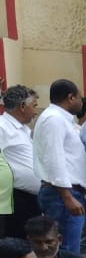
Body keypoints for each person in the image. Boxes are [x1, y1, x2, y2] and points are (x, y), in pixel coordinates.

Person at [33, 79, 86, 252]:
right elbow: (54, 159)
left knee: (70, 249)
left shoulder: (61, 120)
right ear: (70, 98)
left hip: (66, 193)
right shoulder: (54, 119)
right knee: (67, 251)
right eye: (80, 98)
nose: (81, 102)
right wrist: (67, 197)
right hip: (61, 194)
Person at [0, 85, 42, 239]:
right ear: (23, 106)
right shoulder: (2, 127)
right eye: (34, 105)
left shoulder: (23, 129)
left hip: (31, 199)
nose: (36, 111)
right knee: (17, 242)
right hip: (15, 198)